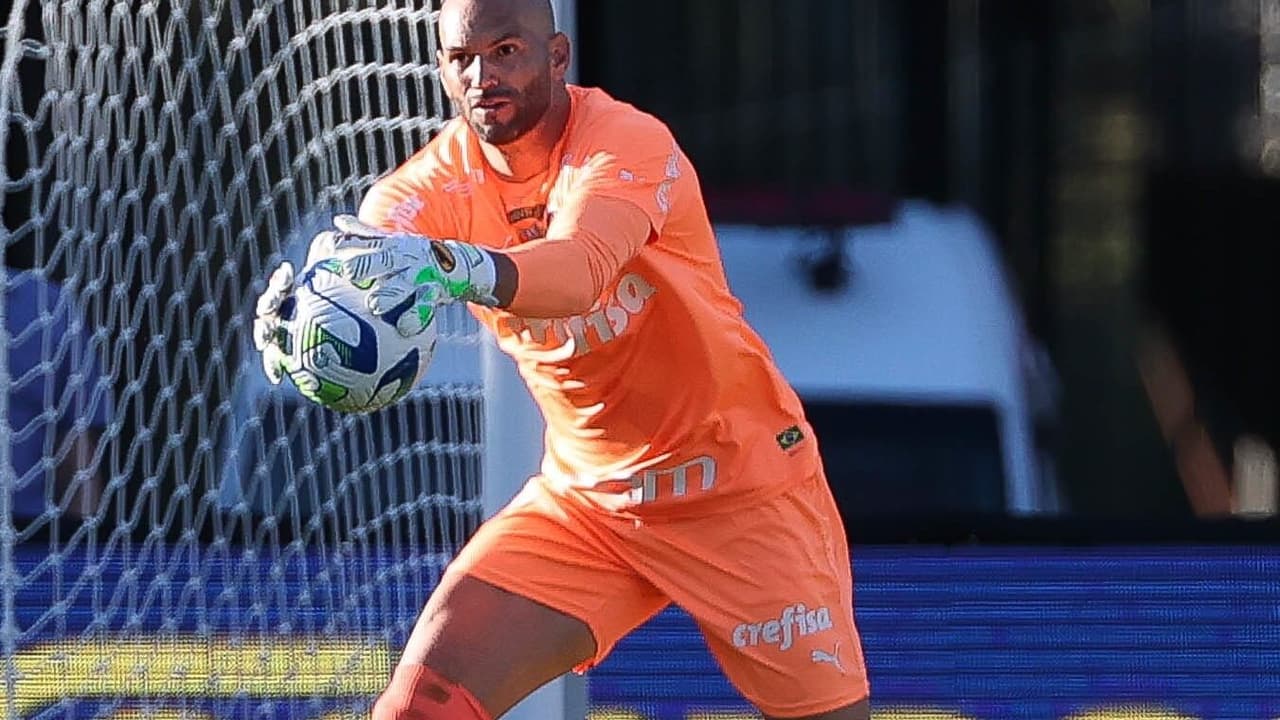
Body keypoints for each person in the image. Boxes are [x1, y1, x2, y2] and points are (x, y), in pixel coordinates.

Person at [253, 0, 871, 717]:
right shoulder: (427, 186)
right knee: (421, 706)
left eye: (506, 50)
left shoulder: (624, 142)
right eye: (463, 59)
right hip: (590, 505)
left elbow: (579, 273)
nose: (484, 74)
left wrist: (455, 267)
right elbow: (370, 248)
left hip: (737, 486)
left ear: (557, 56)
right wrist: (308, 328)